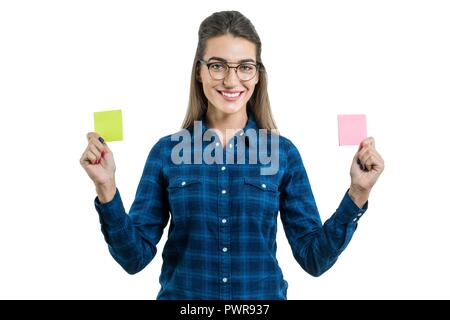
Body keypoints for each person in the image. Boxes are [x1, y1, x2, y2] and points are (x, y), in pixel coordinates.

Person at [80, 10, 384, 300]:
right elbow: (134, 258)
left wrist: (358, 192)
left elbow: (314, 258)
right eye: (217, 65)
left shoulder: (283, 154)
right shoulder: (167, 153)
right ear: (199, 71)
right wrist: (106, 188)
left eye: (244, 67)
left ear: (257, 75)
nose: (231, 80)